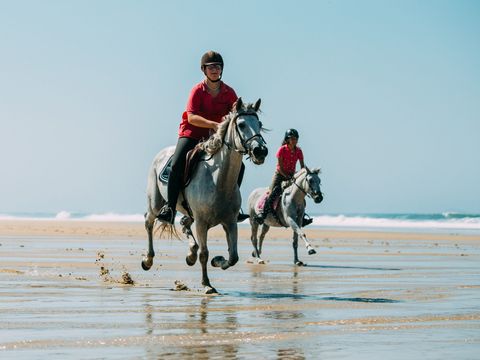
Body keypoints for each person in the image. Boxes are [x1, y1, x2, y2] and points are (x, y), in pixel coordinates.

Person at [156, 50, 249, 224]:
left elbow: (236, 115)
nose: (215, 70)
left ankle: (232, 204)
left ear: (222, 69)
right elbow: (191, 117)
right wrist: (213, 125)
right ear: (204, 70)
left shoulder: (229, 92)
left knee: (240, 166)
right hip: (192, 133)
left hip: (216, 137)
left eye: (218, 66)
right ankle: (169, 207)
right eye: (211, 67)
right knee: (177, 164)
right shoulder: (197, 90)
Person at [255, 128, 313, 226]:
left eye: (296, 138)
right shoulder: (282, 150)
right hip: (280, 174)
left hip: (292, 175)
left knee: (300, 194)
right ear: (287, 139)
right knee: (272, 193)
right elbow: (280, 167)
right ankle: (263, 214)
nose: (294, 140)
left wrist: (304, 174)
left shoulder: (299, 151)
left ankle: (302, 217)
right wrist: (287, 176)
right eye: (292, 138)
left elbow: (302, 166)